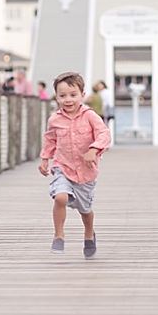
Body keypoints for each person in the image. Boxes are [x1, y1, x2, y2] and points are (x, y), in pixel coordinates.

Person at [39, 70, 111, 258]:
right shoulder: (55, 120)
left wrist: (93, 150)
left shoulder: (90, 116)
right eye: (62, 96)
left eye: (73, 95)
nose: (68, 100)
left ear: (82, 95)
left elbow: (104, 134)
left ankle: (89, 234)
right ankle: (59, 235)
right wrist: (45, 159)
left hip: (86, 173)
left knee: (85, 211)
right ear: (56, 97)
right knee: (60, 197)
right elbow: (50, 140)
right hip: (63, 167)